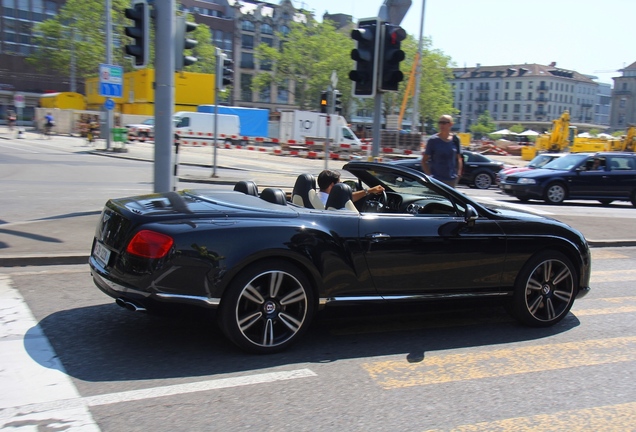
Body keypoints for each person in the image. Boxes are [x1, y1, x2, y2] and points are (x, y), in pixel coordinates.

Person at [421, 115, 463, 187]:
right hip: (436, 180)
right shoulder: (433, 140)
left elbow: (458, 158)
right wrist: (429, 176)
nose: (441, 125)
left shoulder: (455, 139)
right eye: (440, 123)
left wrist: (458, 174)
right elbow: (424, 161)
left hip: (451, 180)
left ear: (451, 124)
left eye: (444, 123)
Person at [317, 169, 384, 206]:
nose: (341, 185)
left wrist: (370, 190)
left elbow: (348, 197)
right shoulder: (331, 203)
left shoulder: (317, 197)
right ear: (332, 185)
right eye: (339, 183)